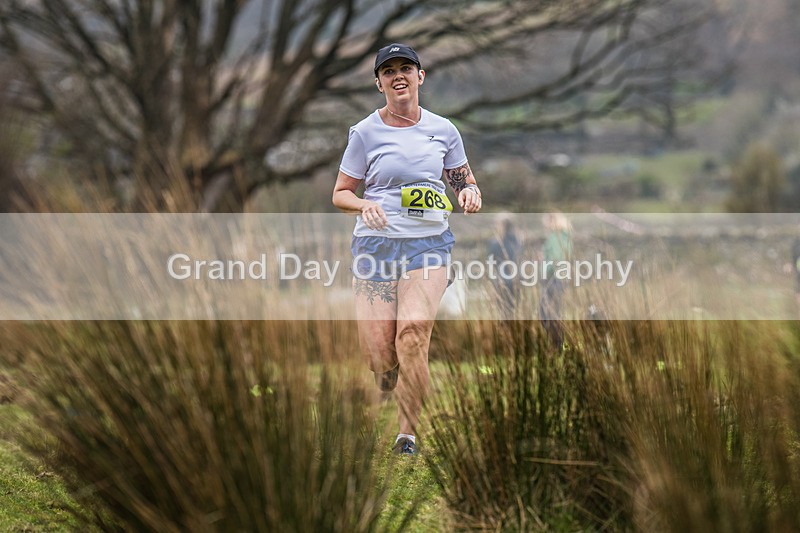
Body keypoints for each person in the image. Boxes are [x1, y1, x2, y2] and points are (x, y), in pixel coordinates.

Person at [332, 43, 482, 455]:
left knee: (412, 336)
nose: (398, 75)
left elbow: (463, 180)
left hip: (429, 245)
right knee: (380, 353)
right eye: (389, 71)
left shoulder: (443, 130)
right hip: (375, 246)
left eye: (406, 68)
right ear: (379, 83)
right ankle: (387, 370)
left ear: (420, 76)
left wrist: (469, 193)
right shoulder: (365, 133)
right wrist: (364, 205)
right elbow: (341, 193)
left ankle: (407, 436)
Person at [539, 211, 573, 349]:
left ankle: (556, 346)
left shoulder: (554, 238)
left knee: (546, 314)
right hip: (562, 280)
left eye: (546, 224)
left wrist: (544, 271)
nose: (544, 227)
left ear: (552, 222)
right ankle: (559, 344)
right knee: (556, 313)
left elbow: (554, 260)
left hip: (552, 280)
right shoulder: (566, 237)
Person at [487, 214, 521, 319]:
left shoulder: (496, 243)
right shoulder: (517, 242)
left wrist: (492, 285)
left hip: (502, 283)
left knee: (503, 315)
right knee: (514, 313)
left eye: (497, 224)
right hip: (516, 282)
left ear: (502, 226)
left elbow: (491, 265)